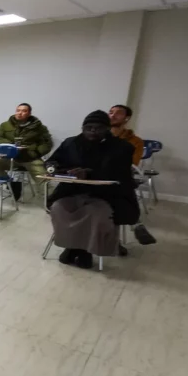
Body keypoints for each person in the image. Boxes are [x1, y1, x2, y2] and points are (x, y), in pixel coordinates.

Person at [46, 110, 140, 269]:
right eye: (88, 127)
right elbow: (54, 160)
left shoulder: (122, 147)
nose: (92, 131)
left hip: (107, 195)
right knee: (59, 209)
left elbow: (120, 173)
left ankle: (84, 251)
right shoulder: (71, 143)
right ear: (82, 128)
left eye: (98, 128)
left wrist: (90, 173)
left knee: (95, 213)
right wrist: (51, 166)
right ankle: (72, 246)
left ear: (107, 128)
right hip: (71, 191)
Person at [109, 104, 157, 246]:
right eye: (111, 112)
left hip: (120, 175)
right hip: (98, 175)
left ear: (126, 118)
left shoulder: (135, 141)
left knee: (120, 186)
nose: (113, 115)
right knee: (118, 191)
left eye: (118, 113)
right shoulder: (97, 135)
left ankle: (114, 239)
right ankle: (136, 224)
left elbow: (131, 163)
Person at [0, 103, 53, 200]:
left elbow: (47, 143)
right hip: (12, 157)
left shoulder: (39, 127)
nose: (20, 113)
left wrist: (35, 153)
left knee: (43, 178)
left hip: (30, 158)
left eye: (24, 111)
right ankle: (11, 184)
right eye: (18, 110)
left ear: (29, 113)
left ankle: (49, 201)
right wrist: (11, 145)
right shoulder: (5, 125)